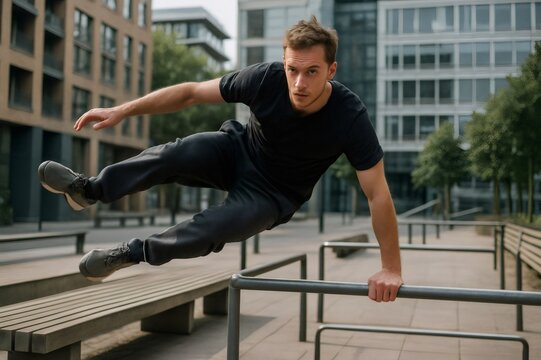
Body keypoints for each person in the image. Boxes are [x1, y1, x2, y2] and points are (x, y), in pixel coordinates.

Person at [39, 17, 403, 302]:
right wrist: (122, 110)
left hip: (274, 194)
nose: (298, 84)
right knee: (175, 154)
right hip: (237, 151)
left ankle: (131, 253)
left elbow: (377, 194)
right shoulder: (264, 78)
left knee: (212, 229)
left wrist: (390, 267)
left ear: (331, 71)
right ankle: (89, 190)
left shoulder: (350, 115)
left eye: (311, 72)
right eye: (292, 69)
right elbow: (191, 94)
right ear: (283, 62)